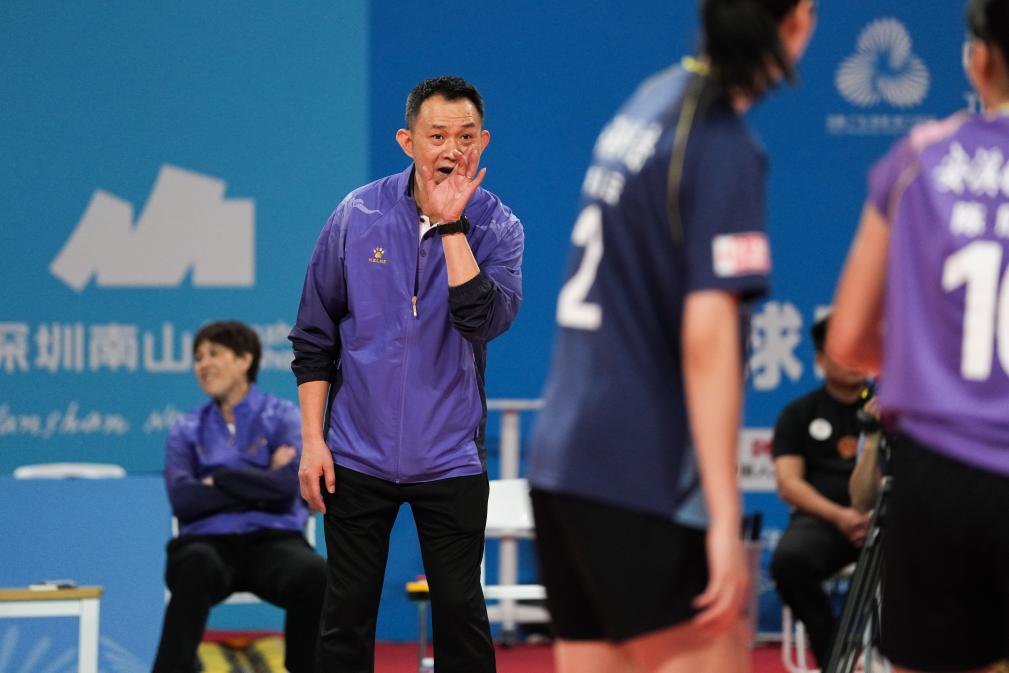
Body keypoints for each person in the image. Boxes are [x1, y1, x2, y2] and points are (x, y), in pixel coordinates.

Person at [525, 2, 816, 671]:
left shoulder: (648, 103)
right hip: (640, 476)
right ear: (797, 20)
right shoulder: (721, 145)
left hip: (563, 465)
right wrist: (724, 517)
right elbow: (708, 341)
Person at [289, 76, 523, 673]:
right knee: (344, 618)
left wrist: (451, 227)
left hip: (450, 457)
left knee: (461, 617)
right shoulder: (356, 216)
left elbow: (484, 321)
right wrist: (314, 442)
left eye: (466, 137)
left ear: (484, 142)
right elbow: (313, 338)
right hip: (355, 454)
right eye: (437, 136)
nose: (452, 150)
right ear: (407, 141)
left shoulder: (499, 227)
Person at [828, 0, 1009, 670]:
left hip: (940, 473)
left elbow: (848, 340)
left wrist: (932, 361)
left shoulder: (920, 158)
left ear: (979, 60)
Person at [153, 320, 326, 673]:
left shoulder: (282, 416)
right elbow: (184, 499)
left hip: (273, 541)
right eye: (198, 357)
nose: (203, 364)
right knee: (193, 565)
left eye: (214, 354)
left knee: (316, 575)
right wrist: (262, 478)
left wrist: (218, 479)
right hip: (206, 543)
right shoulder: (186, 428)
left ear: (245, 359)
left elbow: (285, 490)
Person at [769, 314, 871, 669]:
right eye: (843, 350)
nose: (853, 359)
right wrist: (839, 516)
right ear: (820, 359)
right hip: (823, 521)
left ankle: (888, 655)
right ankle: (836, 657)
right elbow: (788, 483)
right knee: (789, 561)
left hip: (884, 520)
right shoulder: (798, 414)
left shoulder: (888, 409)